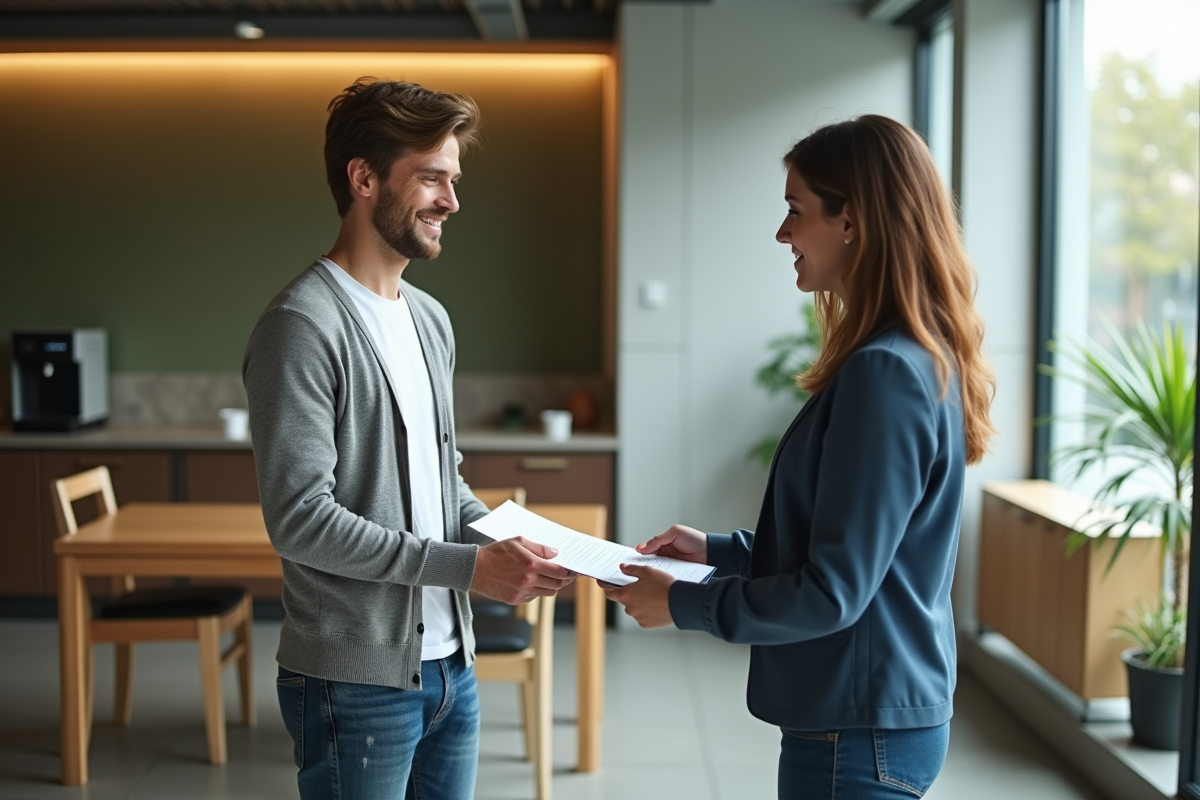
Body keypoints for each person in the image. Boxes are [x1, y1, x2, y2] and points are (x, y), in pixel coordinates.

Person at [603, 115, 996, 800]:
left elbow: (834, 593)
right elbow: (859, 555)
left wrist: (686, 603)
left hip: (860, 732)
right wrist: (718, 551)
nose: (782, 233)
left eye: (795, 210)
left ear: (853, 222)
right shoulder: (908, 356)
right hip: (869, 722)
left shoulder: (887, 373)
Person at [243, 78, 573, 800]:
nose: (451, 202)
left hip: (451, 667)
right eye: (431, 179)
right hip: (352, 681)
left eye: (453, 180)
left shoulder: (429, 319)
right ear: (363, 179)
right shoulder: (301, 327)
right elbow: (300, 520)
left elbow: (441, 481)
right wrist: (469, 570)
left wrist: (517, 543)